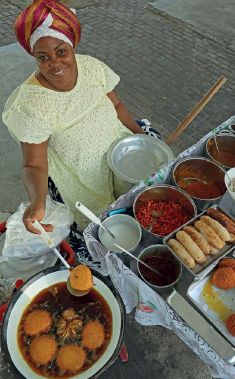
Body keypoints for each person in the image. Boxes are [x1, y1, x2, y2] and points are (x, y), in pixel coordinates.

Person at [2, 0, 163, 236]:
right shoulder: (31, 105)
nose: (55, 64)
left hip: (121, 152)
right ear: (34, 57)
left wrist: (142, 140)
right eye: (43, 57)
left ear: (72, 45)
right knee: (106, 229)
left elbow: (116, 105)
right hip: (78, 178)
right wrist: (38, 202)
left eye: (61, 51)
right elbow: (34, 163)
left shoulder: (92, 68)